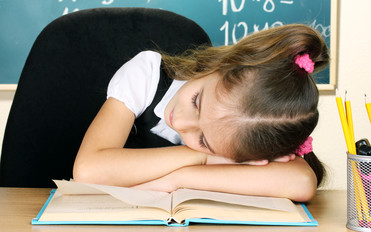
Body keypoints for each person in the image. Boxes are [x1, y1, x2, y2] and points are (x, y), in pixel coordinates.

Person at [73, 24, 329, 202]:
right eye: (197, 101)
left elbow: (302, 182)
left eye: (204, 141)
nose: (181, 122)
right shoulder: (146, 74)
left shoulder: (252, 129)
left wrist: (178, 180)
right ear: (223, 66)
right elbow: (88, 171)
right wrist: (201, 157)